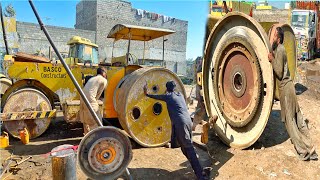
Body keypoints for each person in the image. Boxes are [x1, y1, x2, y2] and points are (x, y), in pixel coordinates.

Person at [268, 27, 318, 161]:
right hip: (290, 87)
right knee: (299, 118)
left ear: (278, 39)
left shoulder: (279, 50)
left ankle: (302, 151)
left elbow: (278, 72)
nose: (271, 38)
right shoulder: (281, 49)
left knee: (289, 122)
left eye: (273, 36)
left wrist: (271, 59)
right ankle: (311, 147)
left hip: (285, 89)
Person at [144, 81, 208, 180]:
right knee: (184, 148)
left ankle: (201, 175)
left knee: (188, 148)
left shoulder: (168, 97)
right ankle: (198, 169)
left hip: (181, 124)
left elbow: (156, 97)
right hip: (187, 122)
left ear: (167, 88)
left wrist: (146, 93)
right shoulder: (180, 95)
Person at [79, 67, 108, 135]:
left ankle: (87, 136)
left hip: (82, 98)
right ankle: (96, 137)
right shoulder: (103, 80)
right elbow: (98, 94)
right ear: (103, 73)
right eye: (106, 73)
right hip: (90, 99)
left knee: (86, 120)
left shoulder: (92, 78)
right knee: (97, 120)